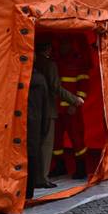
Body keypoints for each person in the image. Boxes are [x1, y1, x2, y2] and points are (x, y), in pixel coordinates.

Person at [34, 40, 84, 188]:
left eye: (64, 43)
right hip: (55, 109)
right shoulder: (52, 63)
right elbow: (56, 87)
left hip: (67, 110)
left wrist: (75, 103)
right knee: (52, 142)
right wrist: (74, 100)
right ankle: (52, 170)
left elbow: (83, 83)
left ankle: (80, 167)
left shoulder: (75, 61)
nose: (62, 46)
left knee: (75, 139)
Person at [25, 66, 50, 200]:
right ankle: (29, 191)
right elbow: (46, 104)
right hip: (36, 121)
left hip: (22, 121)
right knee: (33, 155)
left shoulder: (17, 78)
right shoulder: (40, 79)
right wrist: (44, 126)